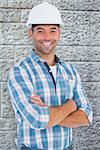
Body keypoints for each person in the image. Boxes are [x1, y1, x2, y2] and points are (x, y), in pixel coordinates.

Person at [8, 2, 93, 150]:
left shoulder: (70, 70)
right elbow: (37, 119)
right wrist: (70, 106)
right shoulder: (20, 71)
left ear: (59, 33)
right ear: (31, 33)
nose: (47, 37)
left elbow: (86, 116)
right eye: (40, 31)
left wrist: (48, 111)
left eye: (52, 30)